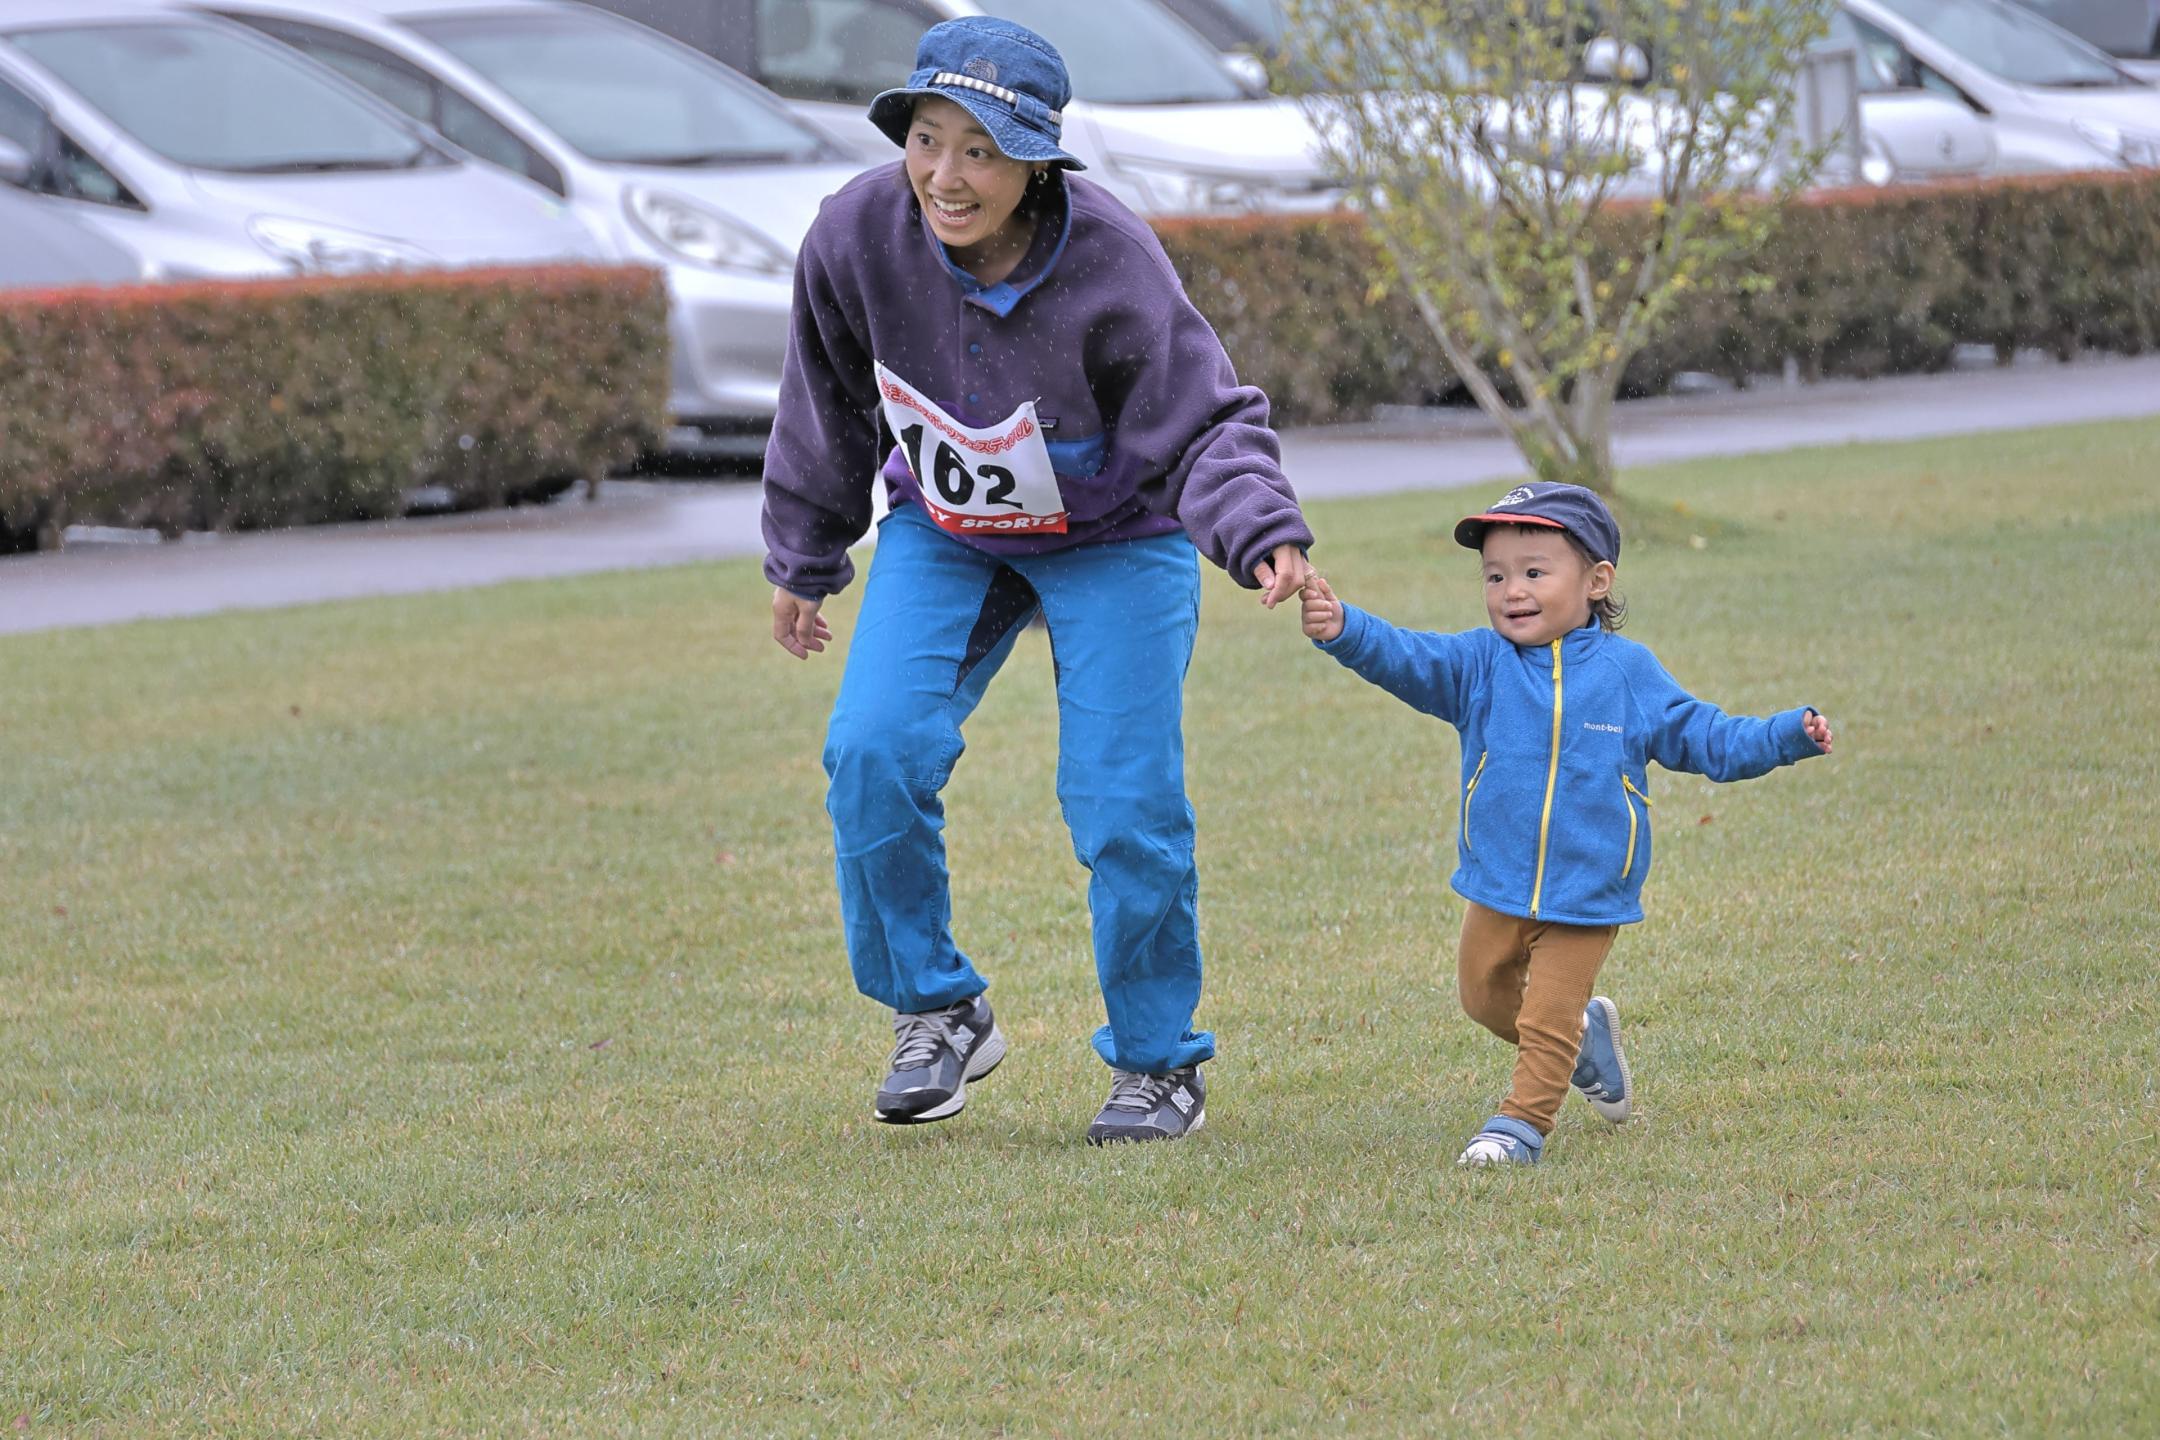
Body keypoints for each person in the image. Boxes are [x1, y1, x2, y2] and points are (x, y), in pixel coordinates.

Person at [761, 17, 1314, 1144]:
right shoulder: (855, 234)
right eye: (927, 139)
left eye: (980, 151)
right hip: (950, 532)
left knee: (1122, 801)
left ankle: (1159, 1065)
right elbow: (828, 402)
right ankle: (937, 1010)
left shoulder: (1112, 254)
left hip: (1116, 535)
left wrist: (1260, 530)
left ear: (1036, 161)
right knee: (872, 749)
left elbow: (1204, 419)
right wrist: (806, 558)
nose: (946, 177)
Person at [1298, 481, 1833, 1166]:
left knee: (1545, 1016)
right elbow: (1407, 657)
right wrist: (1345, 627)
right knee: (1486, 997)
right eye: (1495, 576)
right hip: (1497, 878)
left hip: (1586, 887)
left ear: (1596, 581)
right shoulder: (1478, 666)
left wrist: (1786, 736)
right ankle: (1587, 1041)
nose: (1510, 591)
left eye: (1533, 572)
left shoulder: (1628, 674)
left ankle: (1519, 1126)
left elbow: (1708, 737)